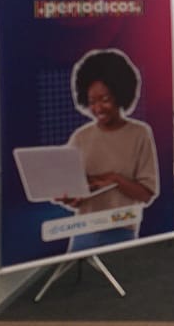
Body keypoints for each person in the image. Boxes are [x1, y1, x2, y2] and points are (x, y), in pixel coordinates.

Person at [57, 48, 159, 252]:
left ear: (120, 95)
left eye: (105, 99)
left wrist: (114, 179)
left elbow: (146, 194)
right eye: (92, 102)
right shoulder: (80, 137)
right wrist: (70, 199)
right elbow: (76, 194)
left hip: (121, 229)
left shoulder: (140, 134)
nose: (98, 108)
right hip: (84, 229)